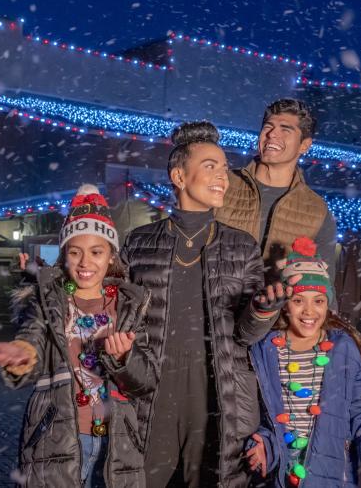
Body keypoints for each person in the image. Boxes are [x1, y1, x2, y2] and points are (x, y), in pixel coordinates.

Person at [122, 121, 294, 487]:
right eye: (210, 166)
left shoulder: (240, 245)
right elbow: (119, 317)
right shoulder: (138, 243)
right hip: (153, 397)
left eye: (224, 167)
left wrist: (263, 310)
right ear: (179, 177)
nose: (223, 177)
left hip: (216, 396)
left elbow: (246, 335)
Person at [0, 184, 157, 488]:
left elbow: (147, 381)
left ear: (111, 255)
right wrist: (23, 354)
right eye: (75, 252)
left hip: (117, 445)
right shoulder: (49, 301)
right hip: (57, 438)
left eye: (96, 252)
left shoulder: (132, 305)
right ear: (64, 256)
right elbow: (32, 337)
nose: (85, 262)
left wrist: (124, 358)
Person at [246, 237, 361, 487]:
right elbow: (261, 415)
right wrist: (264, 444)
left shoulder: (343, 350)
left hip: (332, 472)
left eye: (318, 301)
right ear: (285, 306)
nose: (309, 311)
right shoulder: (265, 350)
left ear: (328, 304)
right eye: (298, 301)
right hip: (282, 475)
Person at [215, 98, 338, 307]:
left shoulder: (316, 210)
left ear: (305, 146)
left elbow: (324, 287)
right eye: (268, 127)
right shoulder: (222, 184)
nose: (272, 134)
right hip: (213, 318)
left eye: (285, 130)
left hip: (275, 329)